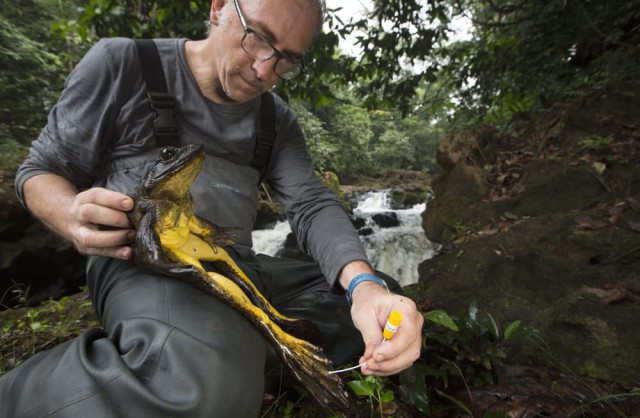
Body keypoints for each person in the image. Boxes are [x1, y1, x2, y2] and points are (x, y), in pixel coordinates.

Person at [0, 0, 423, 416]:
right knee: (203, 387)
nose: (263, 70)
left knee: (381, 309)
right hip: (148, 263)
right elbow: (41, 169)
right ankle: (23, 396)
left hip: (235, 267)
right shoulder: (124, 62)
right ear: (219, 7)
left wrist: (364, 287)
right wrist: (69, 214)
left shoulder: (276, 120)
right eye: (258, 38)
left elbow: (311, 204)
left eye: (285, 60)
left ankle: (225, 354)